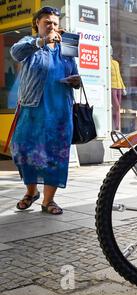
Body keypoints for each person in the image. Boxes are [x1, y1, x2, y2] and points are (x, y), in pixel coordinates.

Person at [10, 6, 81, 215]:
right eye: (47, 22)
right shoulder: (29, 44)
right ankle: (31, 192)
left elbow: (75, 74)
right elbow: (15, 53)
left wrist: (76, 81)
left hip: (59, 111)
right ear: (37, 24)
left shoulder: (66, 48)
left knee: (56, 155)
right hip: (32, 109)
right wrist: (41, 42)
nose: (52, 26)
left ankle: (48, 201)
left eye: (55, 24)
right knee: (24, 152)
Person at [111, 47, 127, 131]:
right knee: (116, 107)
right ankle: (116, 127)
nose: (111, 51)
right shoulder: (107, 62)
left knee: (117, 108)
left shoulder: (116, 63)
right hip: (112, 87)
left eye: (111, 49)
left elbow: (119, 76)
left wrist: (123, 87)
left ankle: (117, 127)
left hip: (119, 87)